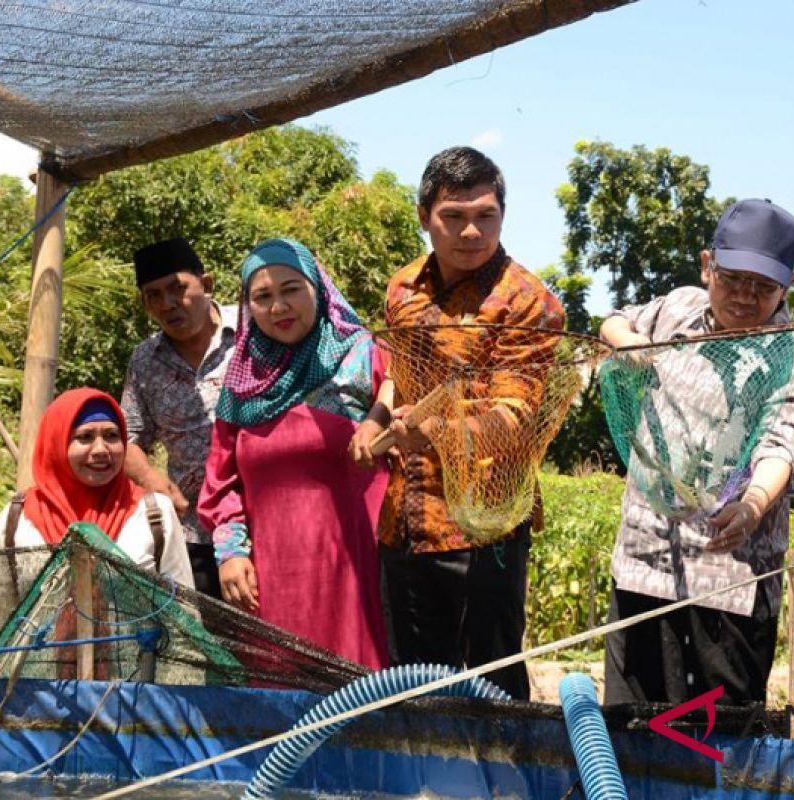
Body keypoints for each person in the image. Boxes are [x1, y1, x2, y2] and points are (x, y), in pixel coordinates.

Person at [348, 147, 564, 700]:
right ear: (424, 216)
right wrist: (373, 420)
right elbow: (400, 374)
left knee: (490, 692)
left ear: (502, 215)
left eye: (485, 216)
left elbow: (515, 417)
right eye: (454, 217)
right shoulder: (403, 288)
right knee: (412, 689)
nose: (471, 232)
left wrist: (438, 431)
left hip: (485, 525)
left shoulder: (527, 301)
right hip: (406, 520)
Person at [597, 198, 794, 706]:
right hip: (644, 565)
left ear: (786, 287)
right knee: (632, 736)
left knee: (720, 746)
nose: (745, 297)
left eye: (763, 287)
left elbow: (784, 444)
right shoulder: (676, 308)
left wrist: (753, 505)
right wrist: (631, 344)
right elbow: (614, 320)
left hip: (729, 585)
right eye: (733, 280)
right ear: (707, 266)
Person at [198, 238, 389, 670]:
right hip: (273, 577)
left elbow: (412, 426)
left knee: (361, 696)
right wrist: (231, 553)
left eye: (291, 289)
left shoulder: (363, 355)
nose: (278, 306)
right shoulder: (242, 383)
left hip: (358, 572)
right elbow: (220, 482)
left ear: (317, 289)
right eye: (262, 297)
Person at [0, 388, 194, 663]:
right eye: (85, 437)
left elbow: (185, 618)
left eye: (112, 436)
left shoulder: (153, 513)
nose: (102, 449)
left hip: (131, 694)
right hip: (33, 696)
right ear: (57, 442)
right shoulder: (19, 518)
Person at [122, 237, 237, 599]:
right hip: (195, 534)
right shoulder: (145, 361)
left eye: (178, 289)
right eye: (154, 295)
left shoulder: (252, 332)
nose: (168, 304)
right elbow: (127, 437)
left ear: (207, 285)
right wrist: (149, 477)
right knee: (216, 647)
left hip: (268, 522)